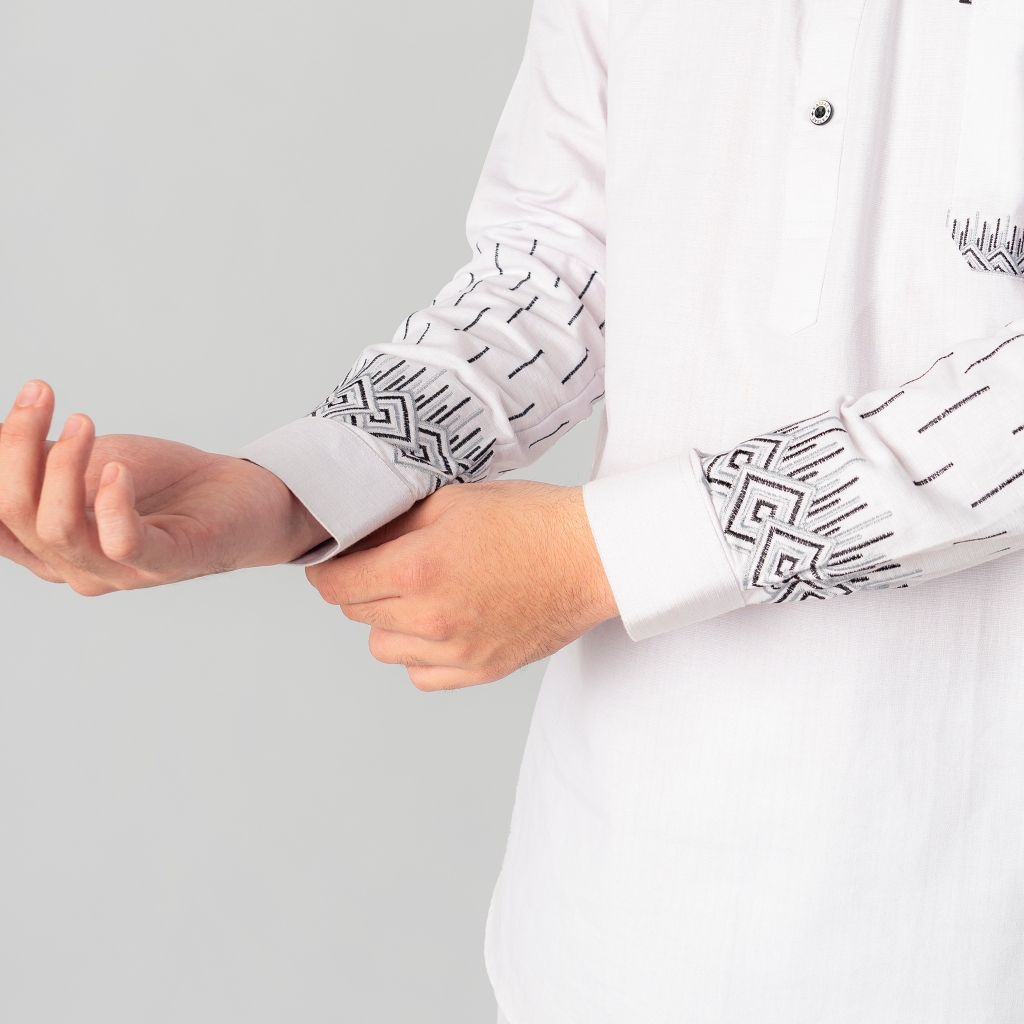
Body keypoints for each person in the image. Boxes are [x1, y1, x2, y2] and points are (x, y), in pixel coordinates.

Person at [2, 0, 1023, 1018]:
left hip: (970, 926)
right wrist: (294, 485)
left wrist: (603, 556)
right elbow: (557, 270)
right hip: (611, 915)